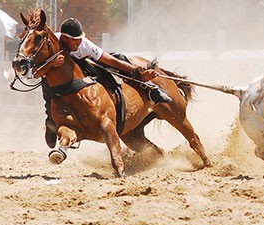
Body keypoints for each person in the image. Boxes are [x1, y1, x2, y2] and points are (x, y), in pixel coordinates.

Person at [38, 18, 172, 148]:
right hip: (54, 79)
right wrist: (51, 64)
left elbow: (112, 61)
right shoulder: (51, 44)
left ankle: (150, 88)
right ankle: (51, 123)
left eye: (80, 39)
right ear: (64, 38)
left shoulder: (84, 45)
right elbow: (35, 72)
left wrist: (137, 71)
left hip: (82, 68)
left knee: (116, 62)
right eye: (76, 41)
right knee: (50, 100)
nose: (79, 43)